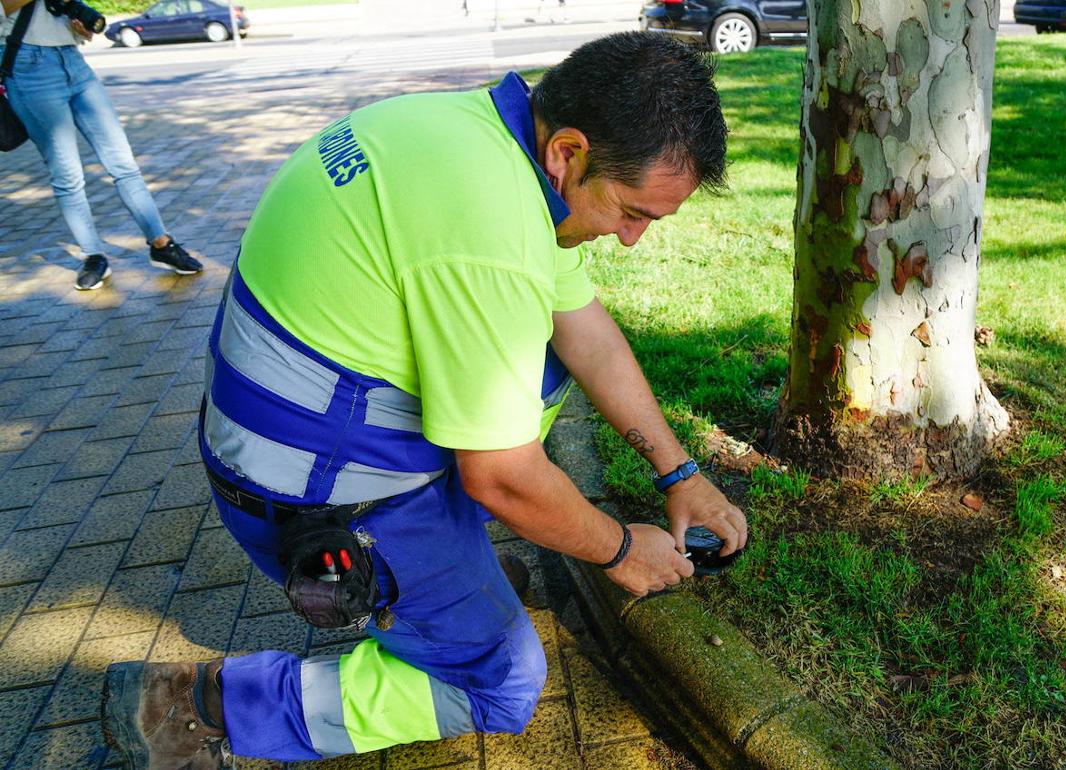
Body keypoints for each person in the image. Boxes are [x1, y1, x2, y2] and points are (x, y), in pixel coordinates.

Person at [101, 31, 746, 768]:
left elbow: (588, 335)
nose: (630, 240)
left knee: (534, 353)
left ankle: (444, 578)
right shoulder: (489, 232)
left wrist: (679, 474)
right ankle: (199, 703)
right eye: (633, 212)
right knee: (503, 681)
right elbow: (499, 475)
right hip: (305, 494)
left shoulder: (476, 136)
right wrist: (621, 551)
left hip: (277, 430)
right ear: (568, 153)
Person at [0, 0, 202, 290]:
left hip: (72, 61)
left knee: (124, 164)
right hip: (28, 68)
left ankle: (161, 244)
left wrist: (78, 27)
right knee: (67, 175)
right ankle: (93, 255)